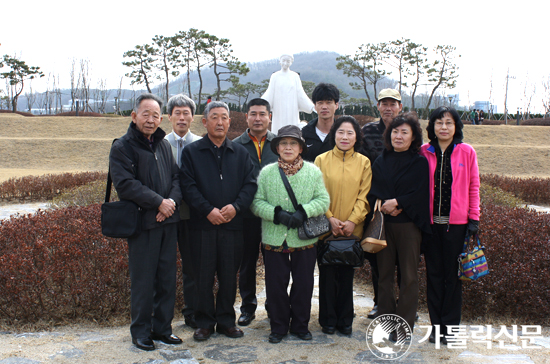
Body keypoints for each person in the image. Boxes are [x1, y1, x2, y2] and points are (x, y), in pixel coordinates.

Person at [109, 93, 182, 351]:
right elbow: (126, 185)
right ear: (134, 116)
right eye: (145, 114)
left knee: (166, 278)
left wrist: (169, 204)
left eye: (155, 115)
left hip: (167, 222)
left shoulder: (163, 145)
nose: (151, 120)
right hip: (142, 225)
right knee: (143, 280)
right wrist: (158, 203)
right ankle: (140, 331)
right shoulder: (122, 147)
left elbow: (176, 178)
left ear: (161, 118)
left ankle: (162, 329)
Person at [180, 101, 257, 341]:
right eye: (214, 117)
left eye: (224, 117)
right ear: (205, 122)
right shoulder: (192, 152)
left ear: (229, 122)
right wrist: (207, 210)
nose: (220, 122)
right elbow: (188, 186)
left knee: (228, 275)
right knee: (203, 276)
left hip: (233, 227)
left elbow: (250, 184)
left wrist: (236, 207)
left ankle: (225, 321)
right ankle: (204, 322)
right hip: (202, 226)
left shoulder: (240, 153)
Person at [251, 125, 330, 344]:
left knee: (303, 284)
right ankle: (278, 326)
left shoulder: (313, 172)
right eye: (283, 143)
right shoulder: (267, 173)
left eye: (293, 143)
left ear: (301, 148)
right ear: (277, 148)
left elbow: (323, 201)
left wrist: (303, 211)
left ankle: (300, 325)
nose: (288, 147)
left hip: (304, 239)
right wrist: (277, 214)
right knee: (275, 284)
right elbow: (257, 203)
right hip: (274, 238)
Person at [368, 112, 431, 340]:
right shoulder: (381, 160)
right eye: (395, 131)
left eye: (404, 132)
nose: (399, 136)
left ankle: (403, 324)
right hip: (384, 225)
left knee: (408, 276)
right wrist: (386, 204)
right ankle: (386, 321)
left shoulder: (420, 162)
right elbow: (373, 189)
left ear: (413, 137)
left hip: (408, 227)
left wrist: (400, 203)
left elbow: (421, 192)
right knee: (383, 275)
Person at [420, 106, 480, 344]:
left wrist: (474, 218)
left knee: (453, 278)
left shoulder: (467, 152)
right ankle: (436, 328)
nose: (443, 127)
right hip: (431, 226)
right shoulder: (424, 152)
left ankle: (450, 329)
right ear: (432, 127)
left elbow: (473, 186)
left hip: (457, 226)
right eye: (439, 123)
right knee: (434, 276)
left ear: (456, 127)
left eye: (449, 123)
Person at [314, 116, 372, 336]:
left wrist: (352, 221)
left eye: (350, 133)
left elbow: (364, 196)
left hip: (351, 231)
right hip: (326, 229)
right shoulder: (321, 160)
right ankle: (328, 320)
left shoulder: (364, 162)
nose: (345, 137)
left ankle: (345, 320)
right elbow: (316, 192)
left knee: (347, 277)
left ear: (357, 136)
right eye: (340, 132)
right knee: (327, 277)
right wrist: (330, 217)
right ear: (333, 134)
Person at [232, 98, 278, 326]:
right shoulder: (235, 145)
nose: (258, 118)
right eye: (253, 114)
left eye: (262, 114)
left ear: (270, 116)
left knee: (274, 263)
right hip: (246, 216)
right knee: (247, 263)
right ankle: (247, 307)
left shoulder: (279, 144)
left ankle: (274, 305)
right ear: (246, 117)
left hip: (272, 217)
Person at [359, 88, 403, 319]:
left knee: (404, 260)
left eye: (392, 103)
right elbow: (362, 167)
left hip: (404, 206)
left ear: (400, 107)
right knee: (377, 256)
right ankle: (380, 302)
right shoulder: (366, 132)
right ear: (378, 107)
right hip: (375, 204)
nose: (388, 108)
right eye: (384, 103)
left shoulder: (409, 131)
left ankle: (404, 304)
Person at [164, 94, 202, 329]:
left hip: (193, 215)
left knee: (193, 266)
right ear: (169, 117)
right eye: (177, 113)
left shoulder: (200, 143)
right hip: (164, 214)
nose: (181, 117)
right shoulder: (159, 143)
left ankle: (192, 311)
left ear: (193, 117)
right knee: (165, 266)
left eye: (185, 112)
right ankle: (163, 316)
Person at [261, 54, 315, 134]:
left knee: (292, 132)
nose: (285, 63)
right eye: (284, 61)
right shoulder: (275, 76)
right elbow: (270, 92)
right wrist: (260, 104)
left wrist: (311, 107)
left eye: (288, 61)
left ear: (291, 62)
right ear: (280, 62)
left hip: (292, 110)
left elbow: (300, 93)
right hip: (278, 110)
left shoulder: (295, 76)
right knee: (278, 133)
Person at [301, 83, 340, 161]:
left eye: (329, 102)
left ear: (336, 105)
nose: (324, 107)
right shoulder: (304, 134)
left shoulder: (342, 134)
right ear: (315, 106)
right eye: (320, 103)